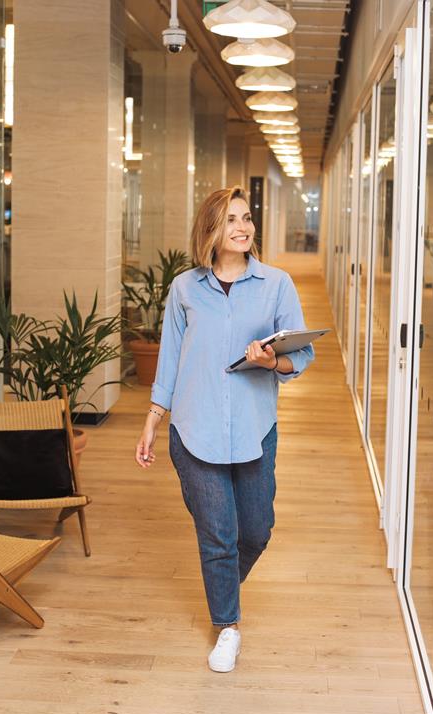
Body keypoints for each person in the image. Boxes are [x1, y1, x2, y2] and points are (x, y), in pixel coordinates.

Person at [135, 186, 314, 672]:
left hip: (255, 429)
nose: (242, 227)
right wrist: (153, 420)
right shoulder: (185, 289)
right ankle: (227, 626)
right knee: (218, 535)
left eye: (247, 217)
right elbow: (170, 359)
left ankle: (222, 589)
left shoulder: (276, 284)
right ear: (211, 230)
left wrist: (273, 358)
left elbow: (302, 355)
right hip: (195, 430)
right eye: (231, 219)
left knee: (255, 532)